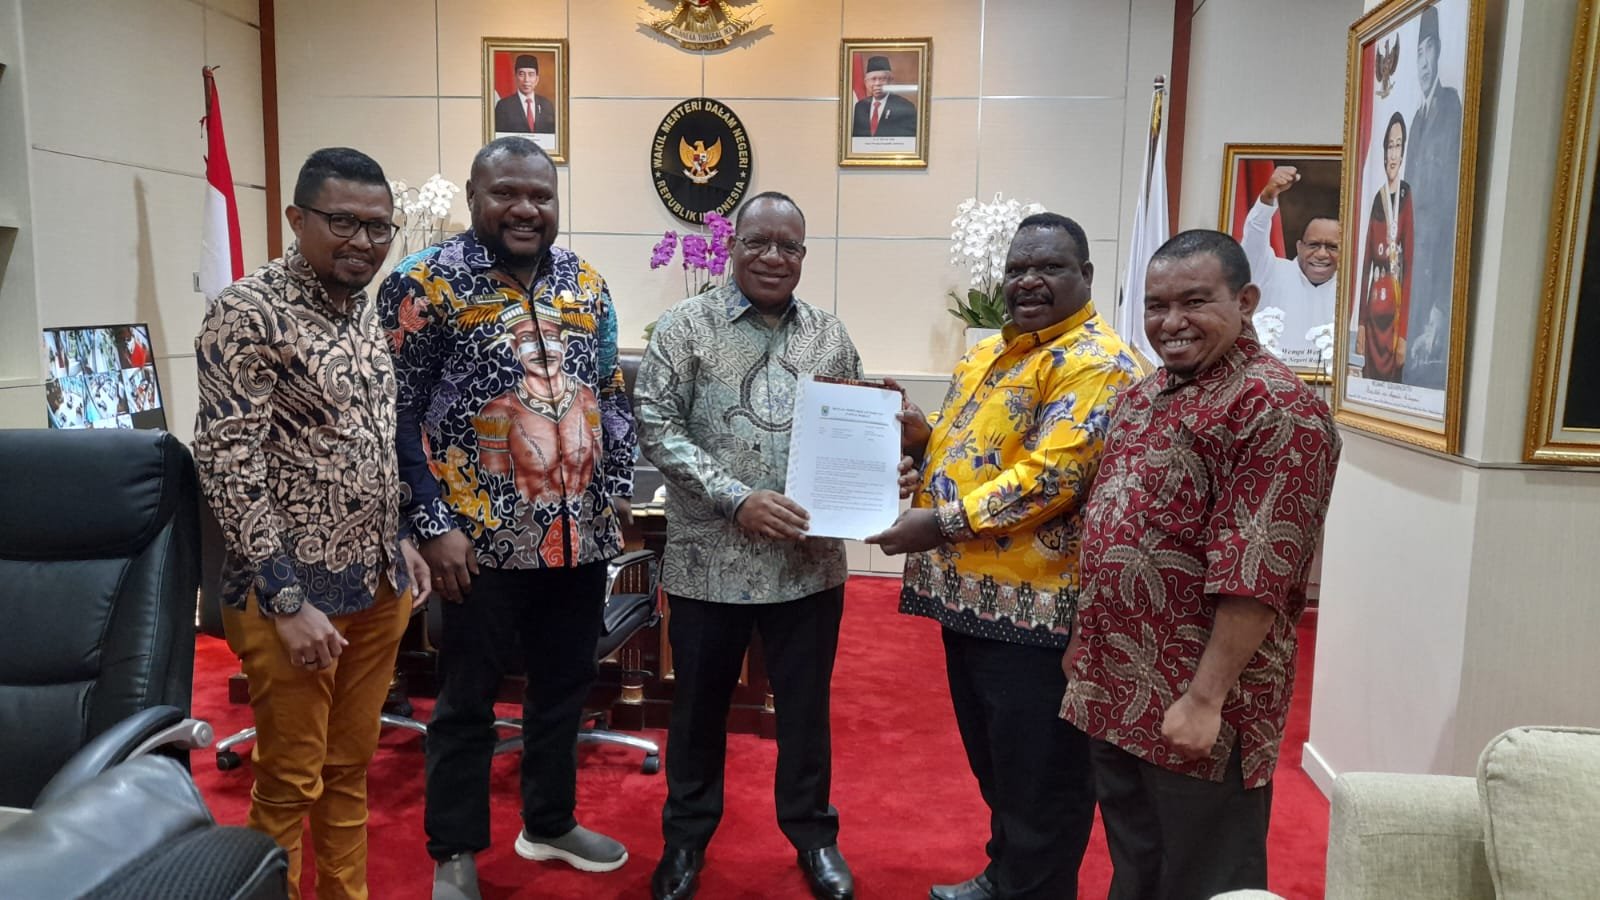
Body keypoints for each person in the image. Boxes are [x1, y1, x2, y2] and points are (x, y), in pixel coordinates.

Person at [378, 137, 636, 900]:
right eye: (507, 193)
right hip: (476, 543)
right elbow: (394, 416)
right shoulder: (423, 285)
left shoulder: (586, 285)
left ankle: (548, 823)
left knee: (564, 688)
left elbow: (611, 392)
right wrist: (431, 523)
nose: (526, 209)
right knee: (466, 702)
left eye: (540, 195)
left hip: (578, 537)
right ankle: (454, 848)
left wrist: (613, 487)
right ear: (473, 197)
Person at [868, 213, 1140, 900]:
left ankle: (1034, 887)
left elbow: (1053, 478)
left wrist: (942, 522)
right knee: (1001, 768)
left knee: (1043, 782)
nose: (1029, 281)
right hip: (970, 601)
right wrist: (924, 439)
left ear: (1086, 276)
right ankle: (1006, 876)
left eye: (1048, 267)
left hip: (1040, 616)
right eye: (1018, 268)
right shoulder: (991, 352)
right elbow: (984, 450)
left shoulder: (1097, 363)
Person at [1061, 230, 1339, 900]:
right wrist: (1084, 643)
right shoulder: (1147, 393)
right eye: (1157, 306)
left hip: (1201, 701)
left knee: (1205, 878)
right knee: (1137, 866)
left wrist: (1205, 699)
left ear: (1245, 301)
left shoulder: (1276, 408)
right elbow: (1111, 524)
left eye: (1195, 301)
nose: (1171, 322)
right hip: (1116, 686)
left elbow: (1257, 574)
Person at [193, 146, 432, 900]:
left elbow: (370, 441)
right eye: (343, 222)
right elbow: (227, 463)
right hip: (290, 597)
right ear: (297, 219)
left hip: (376, 586)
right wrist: (287, 599)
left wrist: (400, 537)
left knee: (348, 770)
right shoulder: (248, 311)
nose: (363, 242)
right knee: (290, 780)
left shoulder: (365, 311)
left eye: (378, 227)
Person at [634, 191, 864, 900]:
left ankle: (814, 837)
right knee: (697, 713)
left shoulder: (829, 336)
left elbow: (855, 428)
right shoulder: (686, 327)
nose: (773, 257)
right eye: (758, 242)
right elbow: (656, 424)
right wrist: (737, 498)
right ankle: (685, 842)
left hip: (807, 566)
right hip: (710, 563)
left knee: (805, 713)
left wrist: (886, 471)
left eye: (788, 246)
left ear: (803, 255)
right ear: (732, 246)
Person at [1404, 5, 1464, 390]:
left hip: (1437, 274)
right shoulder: (1416, 120)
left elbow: (1452, 213)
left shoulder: (1451, 107)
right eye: (1418, 53)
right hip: (1413, 275)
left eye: (1428, 50)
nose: (1423, 62)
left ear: (1439, 52)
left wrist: (1442, 306)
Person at [1241, 166, 1340, 369]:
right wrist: (1268, 196)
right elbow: (1255, 234)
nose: (1322, 254)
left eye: (1332, 247)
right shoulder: (1271, 272)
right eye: (1314, 245)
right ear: (1299, 247)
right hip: (1271, 385)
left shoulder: (1352, 293)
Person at [1357, 112, 1413, 383]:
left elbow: (1409, 267)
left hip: (1394, 317)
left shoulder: (1406, 195)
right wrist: (1360, 323)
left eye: (1398, 146)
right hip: (1373, 318)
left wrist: (1403, 335)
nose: (1393, 154)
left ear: (1403, 153)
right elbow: (1366, 265)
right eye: (1389, 146)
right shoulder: (1377, 199)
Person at [850, 55, 917, 138]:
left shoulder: (905, 107)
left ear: (890, 81)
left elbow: (908, 141)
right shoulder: (860, 107)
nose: (877, 84)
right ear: (866, 82)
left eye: (882, 79)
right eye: (873, 79)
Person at [493, 54, 556, 136]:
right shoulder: (503, 106)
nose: (526, 80)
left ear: (537, 79)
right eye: (522, 74)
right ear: (515, 77)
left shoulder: (547, 105)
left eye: (531, 74)